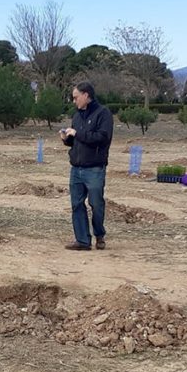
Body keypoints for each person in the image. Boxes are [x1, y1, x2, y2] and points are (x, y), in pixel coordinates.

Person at [60, 81, 113, 251]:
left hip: (95, 168)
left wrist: (78, 133)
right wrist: (67, 139)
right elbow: (77, 142)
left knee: (96, 203)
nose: (74, 101)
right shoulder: (76, 116)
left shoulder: (103, 114)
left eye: (76, 97)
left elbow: (102, 138)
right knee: (76, 204)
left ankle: (99, 234)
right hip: (76, 168)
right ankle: (82, 240)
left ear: (86, 95)